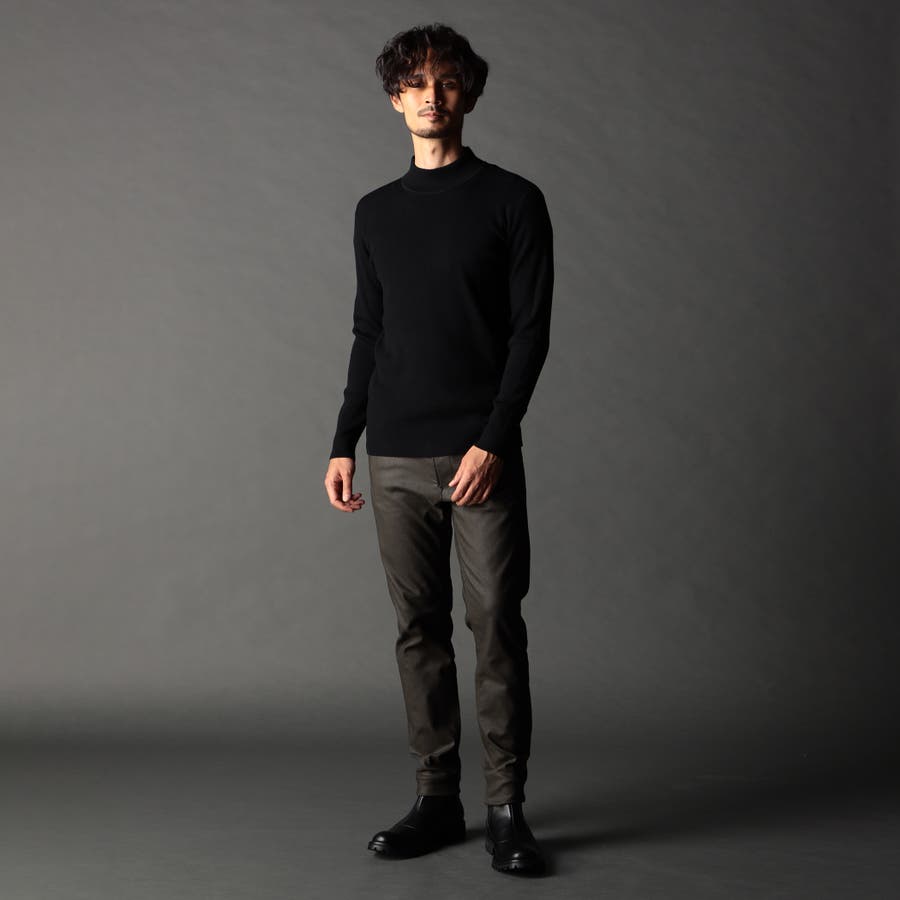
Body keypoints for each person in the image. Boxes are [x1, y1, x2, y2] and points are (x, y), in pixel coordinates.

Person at [323, 22, 554, 876]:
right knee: (417, 629)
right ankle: (437, 798)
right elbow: (369, 330)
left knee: (495, 626)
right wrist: (343, 440)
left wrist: (493, 439)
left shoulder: (512, 200)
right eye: (416, 83)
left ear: (470, 93)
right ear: (394, 98)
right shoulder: (375, 212)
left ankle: (506, 808)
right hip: (392, 453)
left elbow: (530, 333)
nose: (431, 96)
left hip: (479, 454)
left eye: (447, 81)